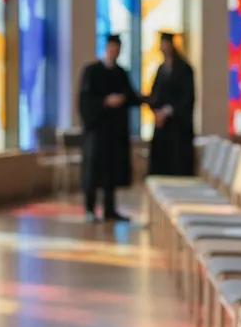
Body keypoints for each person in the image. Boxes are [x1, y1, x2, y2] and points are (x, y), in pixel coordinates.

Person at [78, 35, 141, 222]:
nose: (114, 51)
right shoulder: (92, 71)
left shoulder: (121, 73)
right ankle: (89, 209)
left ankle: (110, 209)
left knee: (111, 171)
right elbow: (85, 100)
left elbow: (131, 96)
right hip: (97, 131)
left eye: (117, 48)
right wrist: (105, 101)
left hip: (114, 132)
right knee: (93, 170)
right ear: (106, 49)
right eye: (112, 47)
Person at [147, 31, 197, 176]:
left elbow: (187, 98)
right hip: (162, 128)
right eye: (162, 44)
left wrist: (168, 111)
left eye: (166, 44)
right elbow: (154, 95)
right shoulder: (161, 69)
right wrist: (156, 111)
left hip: (178, 129)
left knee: (177, 166)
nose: (164, 47)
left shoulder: (184, 69)